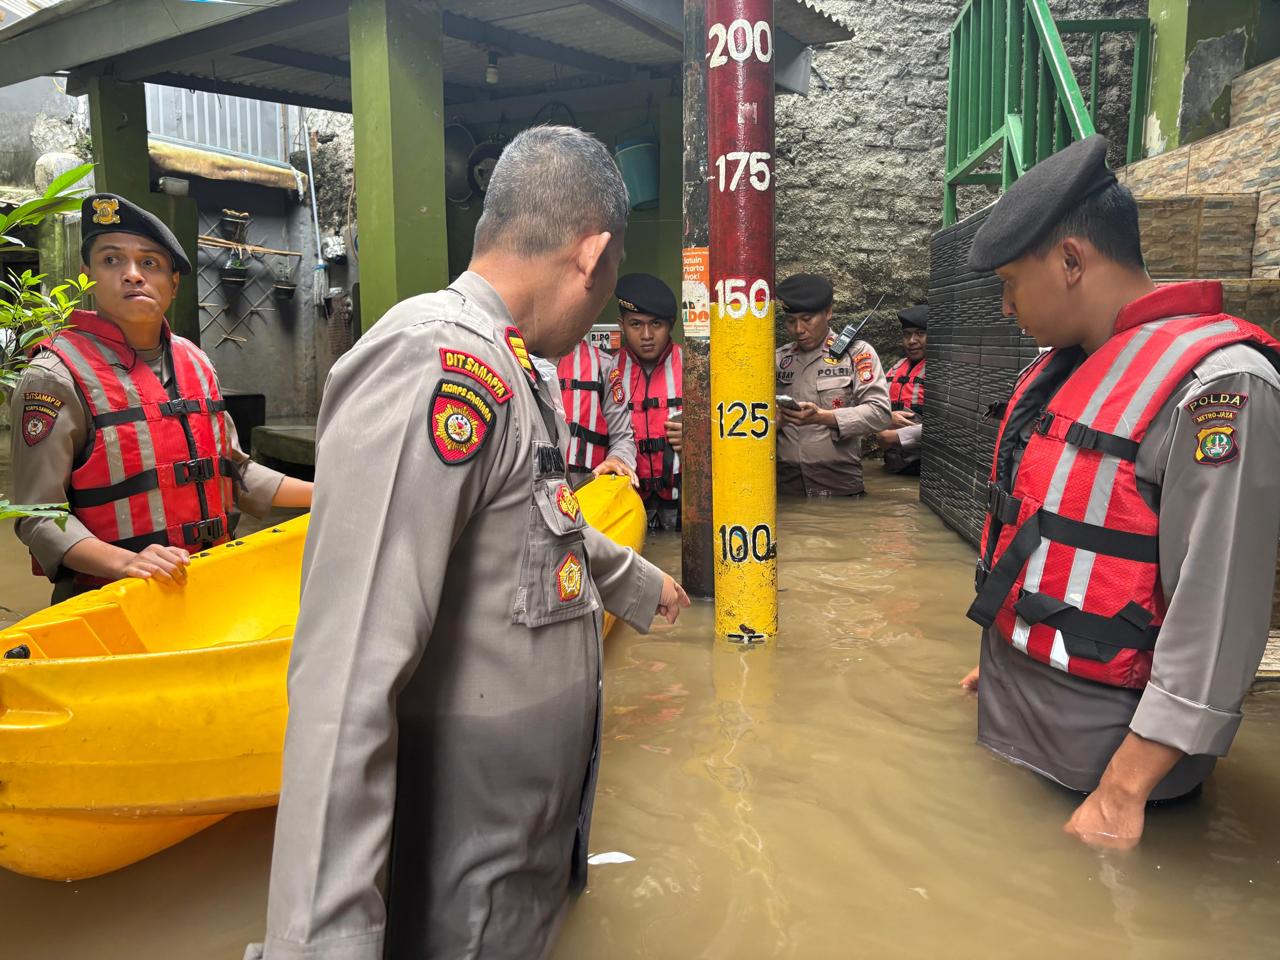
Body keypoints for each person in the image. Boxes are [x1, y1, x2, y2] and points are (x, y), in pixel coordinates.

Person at [245, 126, 689, 960]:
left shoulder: (516, 367)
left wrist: (633, 580)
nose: (602, 310)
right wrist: (321, 946)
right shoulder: (436, 364)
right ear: (592, 256)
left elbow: (540, 524)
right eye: (607, 288)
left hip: (515, 853)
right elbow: (345, 680)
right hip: (466, 881)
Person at [959, 134, 1280, 849]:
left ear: (1072, 260)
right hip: (1021, 718)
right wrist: (1014, 652)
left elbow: (1220, 603)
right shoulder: (1066, 370)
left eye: (1011, 281)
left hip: (1107, 767)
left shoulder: (1219, 387)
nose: (1006, 305)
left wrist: (1123, 790)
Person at [9, 192, 312, 603]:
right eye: (112, 260)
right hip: (111, 601)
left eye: (149, 263)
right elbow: (38, 516)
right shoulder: (54, 377)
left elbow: (234, 474)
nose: (133, 275)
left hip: (207, 584)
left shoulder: (197, 362)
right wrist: (123, 562)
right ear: (88, 275)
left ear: (172, 283)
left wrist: (327, 491)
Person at [774, 273, 891, 496]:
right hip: (785, 486)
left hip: (839, 484)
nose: (799, 329)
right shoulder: (778, 360)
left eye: (807, 319)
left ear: (828, 312)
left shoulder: (856, 354)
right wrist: (776, 422)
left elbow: (880, 413)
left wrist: (822, 417)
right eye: (791, 321)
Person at [613, 272, 682, 530]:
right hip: (628, 505)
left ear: (671, 325)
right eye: (635, 324)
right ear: (621, 325)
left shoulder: (695, 368)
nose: (646, 335)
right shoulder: (608, 371)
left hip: (684, 505)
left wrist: (697, 438)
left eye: (656, 324)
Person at [556, 336, 637, 486]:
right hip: (530, 497)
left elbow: (622, 438)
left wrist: (617, 459)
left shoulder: (603, 365)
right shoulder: (513, 358)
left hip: (589, 494)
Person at [876, 304, 927, 474]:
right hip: (893, 465)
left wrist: (895, 437)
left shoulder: (943, 374)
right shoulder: (895, 369)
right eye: (907, 335)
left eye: (920, 334)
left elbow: (948, 427)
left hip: (922, 470)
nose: (912, 341)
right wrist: (886, 419)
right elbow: (873, 409)